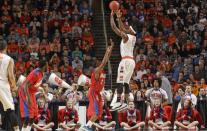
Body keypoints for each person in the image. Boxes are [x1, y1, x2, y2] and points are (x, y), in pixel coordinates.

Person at [82, 39, 114, 131]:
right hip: (93, 92)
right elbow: (104, 62)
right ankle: (87, 126)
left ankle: (88, 126)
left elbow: (106, 60)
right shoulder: (96, 71)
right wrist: (107, 52)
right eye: (98, 64)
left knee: (99, 113)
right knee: (95, 112)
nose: (101, 65)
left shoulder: (102, 72)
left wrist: (111, 48)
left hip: (98, 93)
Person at [110, 9, 137, 111]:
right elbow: (120, 27)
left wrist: (114, 17)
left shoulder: (127, 37)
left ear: (130, 31)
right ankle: (126, 102)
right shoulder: (132, 37)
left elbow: (115, 28)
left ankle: (118, 101)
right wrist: (117, 18)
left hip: (125, 61)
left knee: (119, 81)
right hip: (131, 61)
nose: (126, 28)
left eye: (128, 28)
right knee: (125, 83)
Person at [18, 60, 47, 131]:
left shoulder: (41, 73)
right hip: (25, 92)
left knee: (34, 115)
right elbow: (25, 86)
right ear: (44, 66)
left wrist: (39, 88)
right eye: (47, 65)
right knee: (28, 116)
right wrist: (29, 98)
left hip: (31, 92)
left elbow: (34, 84)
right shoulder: (35, 73)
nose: (48, 66)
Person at [0, 40, 19, 131]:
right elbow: (11, 76)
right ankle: (17, 129)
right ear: (6, 48)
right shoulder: (9, 59)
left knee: (6, 109)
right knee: (10, 108)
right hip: (2, 85)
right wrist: (14, 88)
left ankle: (5, 128)